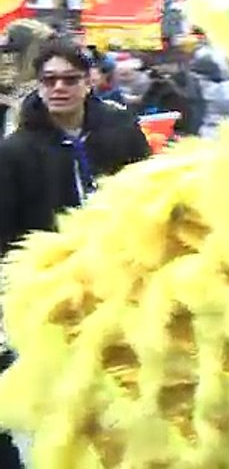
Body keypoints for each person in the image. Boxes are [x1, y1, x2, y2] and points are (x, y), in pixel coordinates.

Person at [0, 39, 151, 468]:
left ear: (89, 82)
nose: (59, 88)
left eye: (69, 79)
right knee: (67, 396)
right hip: (54, 294)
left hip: (121, 283)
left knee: (124, 387)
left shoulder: (121, 131)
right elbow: (6, 231)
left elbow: (149, 199)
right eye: (49, 80)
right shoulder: (16, 151)